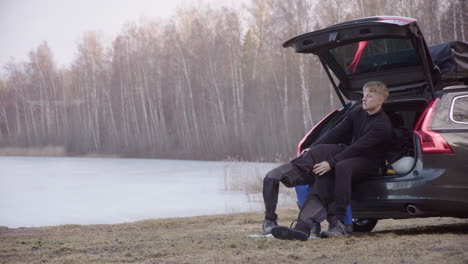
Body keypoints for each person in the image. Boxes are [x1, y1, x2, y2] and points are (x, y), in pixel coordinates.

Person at [261, 81, 392, 240]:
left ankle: (340, 224)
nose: (364, 99)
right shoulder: (357, 112)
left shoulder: (382, 125)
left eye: (369, 96)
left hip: (369, 161)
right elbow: (335, 132)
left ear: (380, 100)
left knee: (341, 166)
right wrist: (314, 146)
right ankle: (295, 222)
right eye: (363, 95)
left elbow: (357, 147)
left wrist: (330, 163)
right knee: (318, 153)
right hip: (350, 153)